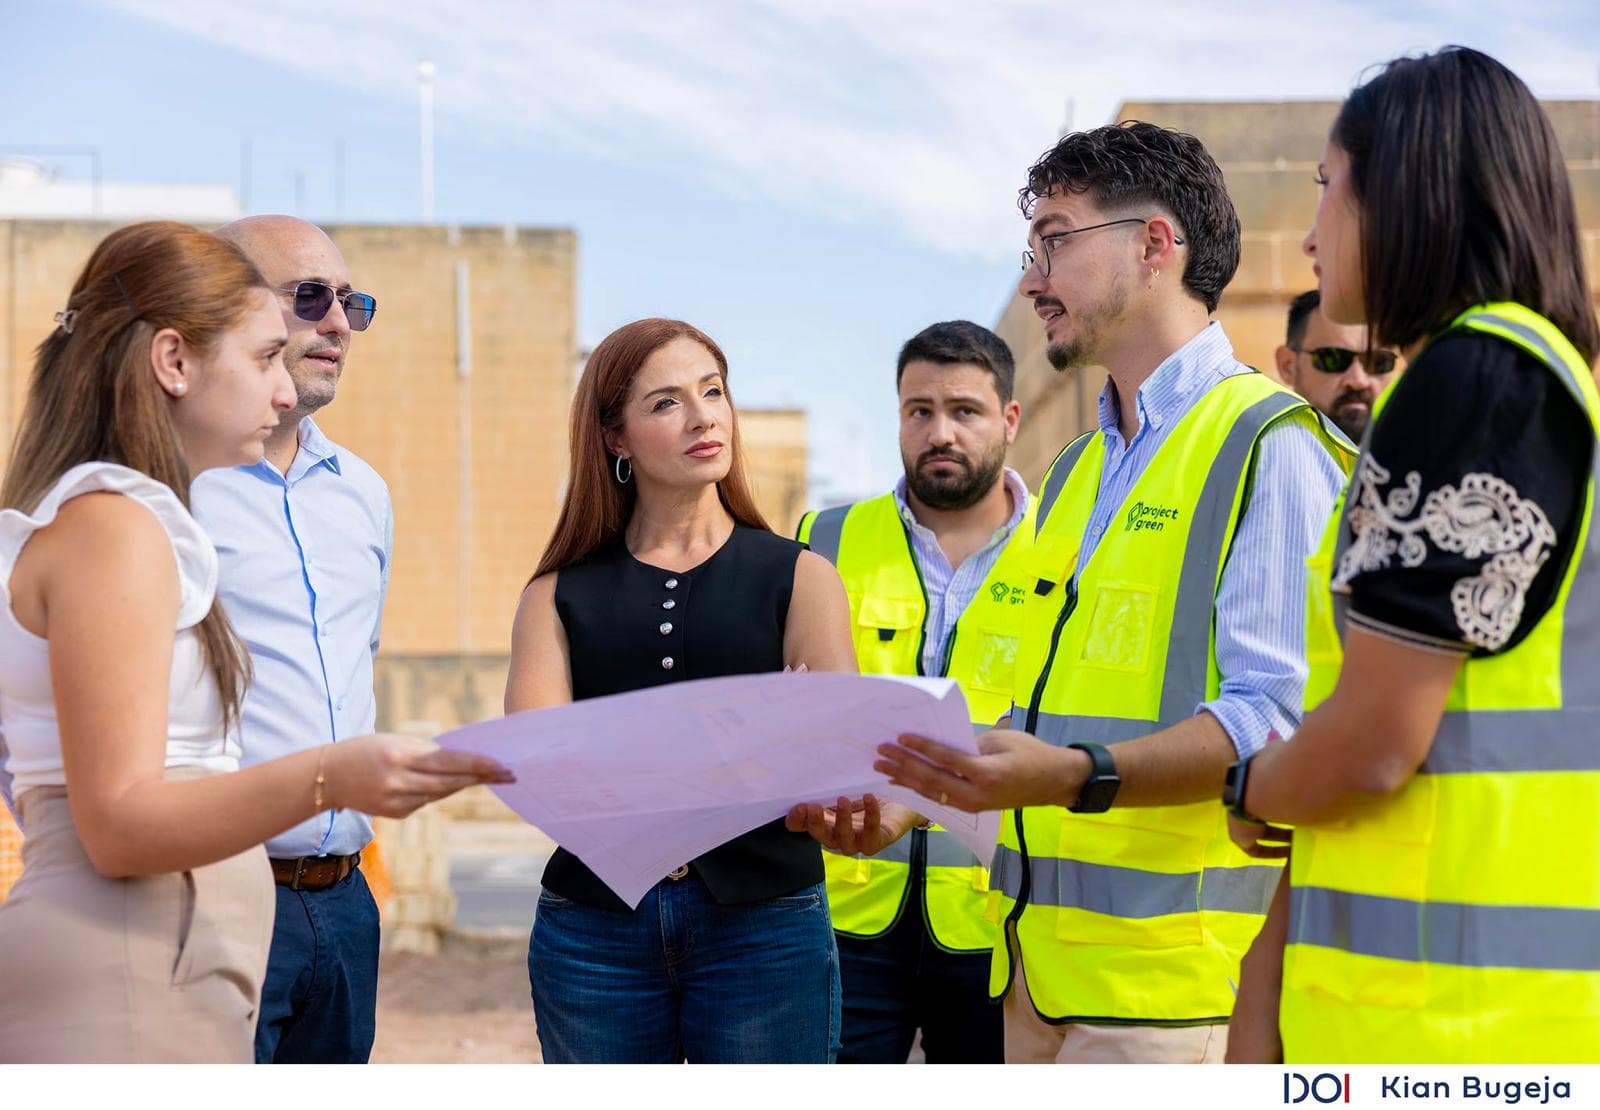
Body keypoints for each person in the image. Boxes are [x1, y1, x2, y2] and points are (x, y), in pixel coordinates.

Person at [866, 122, 1354, 1063]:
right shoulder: (1081, 470)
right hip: (1035, 978)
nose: (1032, 280)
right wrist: (913, 797)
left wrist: (1074, 775)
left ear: (1155, 245)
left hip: (1175, 996)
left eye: (1055, 241)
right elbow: (1040, 713)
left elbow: (1280, 722)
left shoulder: (1270, 446)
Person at [0, 221, 509, 1063]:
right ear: (174, 361)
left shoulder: (128, 519)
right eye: (266, 354)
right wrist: (337, 774)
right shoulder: (118, 530)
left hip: (238, 934)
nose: (284, 390)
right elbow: (112, 816)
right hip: (132, 964)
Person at [1222, 46, 1600, 1064]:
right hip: (1481, 1023)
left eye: (1326, 190)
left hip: (1449, 1029)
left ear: (1406, 191)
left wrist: (1247, 786)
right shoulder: (1527, 376)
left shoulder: (1474, 380)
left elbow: (1376, 745)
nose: (1306, 238)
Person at [505, 317, 854, 1063]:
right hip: (591, 933)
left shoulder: (804, 578)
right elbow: (542, 775)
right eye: (665, 402)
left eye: (714, 392)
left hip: (767, 930)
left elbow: (830, 766)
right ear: (615, 437)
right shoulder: (554, 595)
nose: (703, 417)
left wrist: (620, 754)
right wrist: (754, 739)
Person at [792, 321, 1029, 1064]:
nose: (940, 432)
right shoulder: (822, 538)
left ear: (1010, 421)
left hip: (999, 924)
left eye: (965, 411)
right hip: (844, 919)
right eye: (918, 411)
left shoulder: (1071, 548)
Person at [191, 215, 393, 1064]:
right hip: (211, 897)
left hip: (346, 907)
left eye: (352, 302)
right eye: (311, 296)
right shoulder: (169, 486)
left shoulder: (365, 496)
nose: (338, 324)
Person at [1274, 288, 1401, 441]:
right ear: (1288, 366)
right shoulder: (1265, 456)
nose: (1358, 381)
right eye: (1334, 360)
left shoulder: (1422, 453)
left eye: (1378, 362)